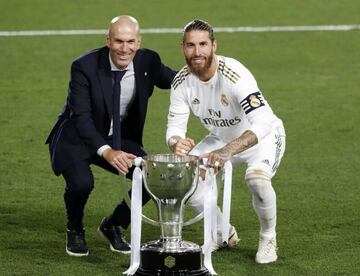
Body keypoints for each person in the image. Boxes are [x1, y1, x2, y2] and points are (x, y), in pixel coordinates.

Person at [46, 15, 176, 257]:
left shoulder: (148, 61)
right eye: (118, 41)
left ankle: (114, 224)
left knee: (153, 175)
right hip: (77, 137)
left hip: (114, 136)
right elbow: (81, 118)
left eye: (130, 42)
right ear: (108, 40)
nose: (124, 48)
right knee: (81, 184)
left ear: (138, 42)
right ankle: (74, 228)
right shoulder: (84, 67)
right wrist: (107, 151)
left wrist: (205, 69)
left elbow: (174, 79)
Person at [166, 19, 286, 264]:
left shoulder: (233, 73)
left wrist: (228, 151)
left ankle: (268, 238)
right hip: (220, 139)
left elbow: (263, 121)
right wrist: (176, 142)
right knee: (185, 177)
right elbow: (174, 129)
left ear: (214, 46)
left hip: (260, 138)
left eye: (203, 44)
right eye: (191, 45)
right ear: (183, 48)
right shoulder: (180, 82)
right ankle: (222, 232)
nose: (197, 52)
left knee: (257, 180)